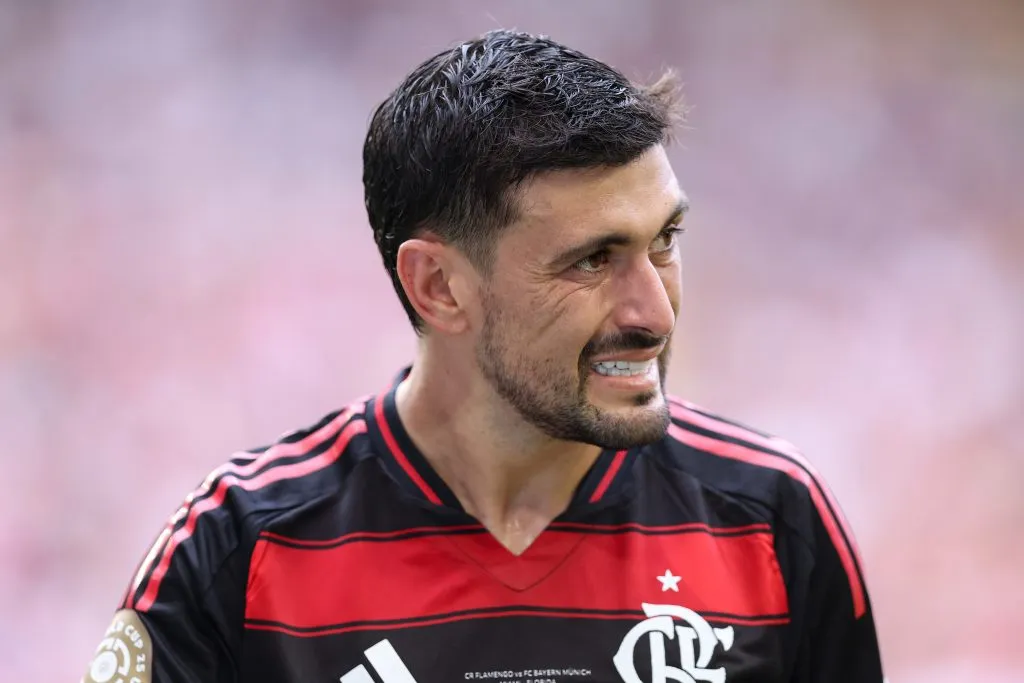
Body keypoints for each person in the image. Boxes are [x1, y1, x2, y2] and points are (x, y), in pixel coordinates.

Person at [82, 29, 885, 683]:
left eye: (664, 241)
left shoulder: (774, 520)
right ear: (438, 287)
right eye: (592, 260)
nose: (655, 308)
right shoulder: (241, 549)